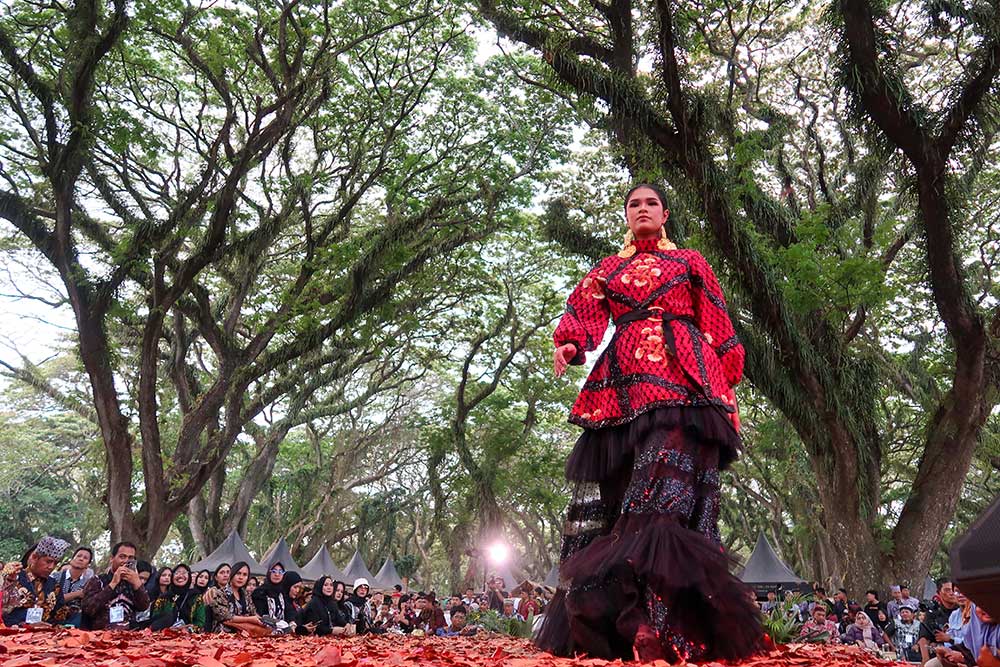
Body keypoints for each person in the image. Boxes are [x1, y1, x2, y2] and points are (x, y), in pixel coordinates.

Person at [536, 183, 763, 663]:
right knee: (621, 505)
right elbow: (582, 312)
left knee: (663, 499)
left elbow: (716, 317)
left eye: (651, 203)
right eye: (634, 204)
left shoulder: (690, 262)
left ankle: (661, 627)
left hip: (684, 379)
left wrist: (728, 367)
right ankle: (626, 622)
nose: (642, 209)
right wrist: (570, 344)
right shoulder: (608, 269)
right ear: (626, 216)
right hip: (620, 387)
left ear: (664, 214)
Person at [80, 541, 151, 630]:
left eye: (130, 558)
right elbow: (88, 609)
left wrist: (137, 583)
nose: (126, 561)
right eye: (122, 557)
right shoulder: (97, 580)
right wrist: (112, 584)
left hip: (128, 635)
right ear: (112, 558)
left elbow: (144, 606)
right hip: (100, 635)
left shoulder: (133, 583)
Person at [1, 536, 70, 626]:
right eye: (48, 561)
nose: (51, 567)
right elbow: (3, 613)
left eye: (55, 563)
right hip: (12, 635)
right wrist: (24, 625)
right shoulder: (13, 578)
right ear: (34, 557)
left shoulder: (54, 586)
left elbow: (60, 617)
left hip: (44, 637)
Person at [208, 561, 269, 635]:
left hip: (245, 632)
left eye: (245, 575)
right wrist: (249, 619)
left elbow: (252, 612)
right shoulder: (219, 593)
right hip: (223, 634)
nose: (241, 577)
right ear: (232, 574)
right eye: (238, 573)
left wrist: (263, 621)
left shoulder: (246, 594)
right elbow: (225, 617)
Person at [51, 546, 93, 628]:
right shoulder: (55, 577)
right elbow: (53, 600)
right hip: (53, 621)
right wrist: (77, 594)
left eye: (85, 558)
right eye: (79, 556)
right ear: (72, 560)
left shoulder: (88, 583)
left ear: (87, 565)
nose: (81, 559)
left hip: (75, 624)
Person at [920, 578, 961, 663]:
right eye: (947, 590)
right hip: (938, 656)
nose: (951, 593)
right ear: (939, 593)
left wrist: (949, 638)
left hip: (961, 654)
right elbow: (924, 638)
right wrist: (925, 659)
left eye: (954, 590)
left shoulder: (963, 611)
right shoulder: (932, 613)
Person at [148, 564, 195, 630]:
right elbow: (154, 622)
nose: (180, 576)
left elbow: (200, 622)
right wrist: (169, 630)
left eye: (184, 573)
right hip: (164, 636)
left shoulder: (195, 596)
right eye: (177, 573)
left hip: (191, 638)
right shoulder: (163, 598)